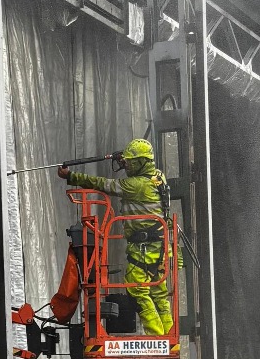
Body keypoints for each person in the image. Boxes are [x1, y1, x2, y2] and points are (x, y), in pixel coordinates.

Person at [50, 138, 174, 337]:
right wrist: (125, 159)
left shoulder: (137, 185)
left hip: (144, 249)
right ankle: (169, 336)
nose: (128, 166)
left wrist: (71, 176)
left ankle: (158, 337)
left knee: (136, 290)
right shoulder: (158, 177)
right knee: (159, 293)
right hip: (159, 247)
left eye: (132, 163)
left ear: (142, 162)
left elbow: (105, 184)